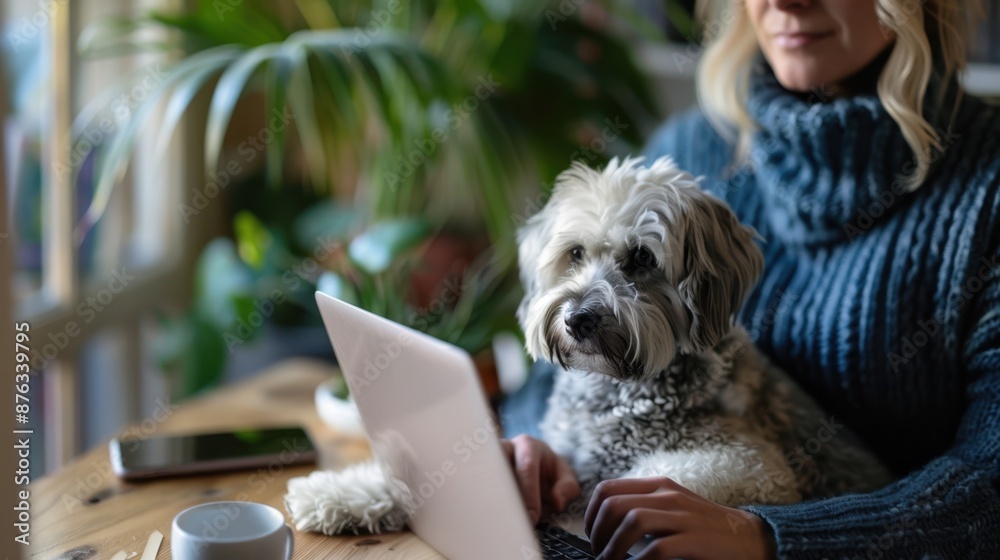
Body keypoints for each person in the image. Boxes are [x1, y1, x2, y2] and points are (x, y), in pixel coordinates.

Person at [500, 0, 1000, 558]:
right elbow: (559, 379)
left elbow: (991, 488)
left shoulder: (987, 194)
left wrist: (770, 536)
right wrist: (535, 450)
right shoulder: (689, 150)